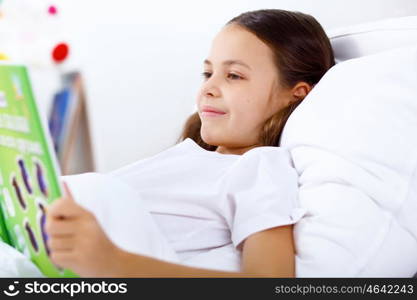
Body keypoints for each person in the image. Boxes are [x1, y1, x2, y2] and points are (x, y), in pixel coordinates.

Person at [45, 9, 335, 277]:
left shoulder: (261, 167)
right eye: (208, 73)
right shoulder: (191, 157)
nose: (208, 88)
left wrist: (114, 262)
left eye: (234, 75)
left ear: (295, 94)